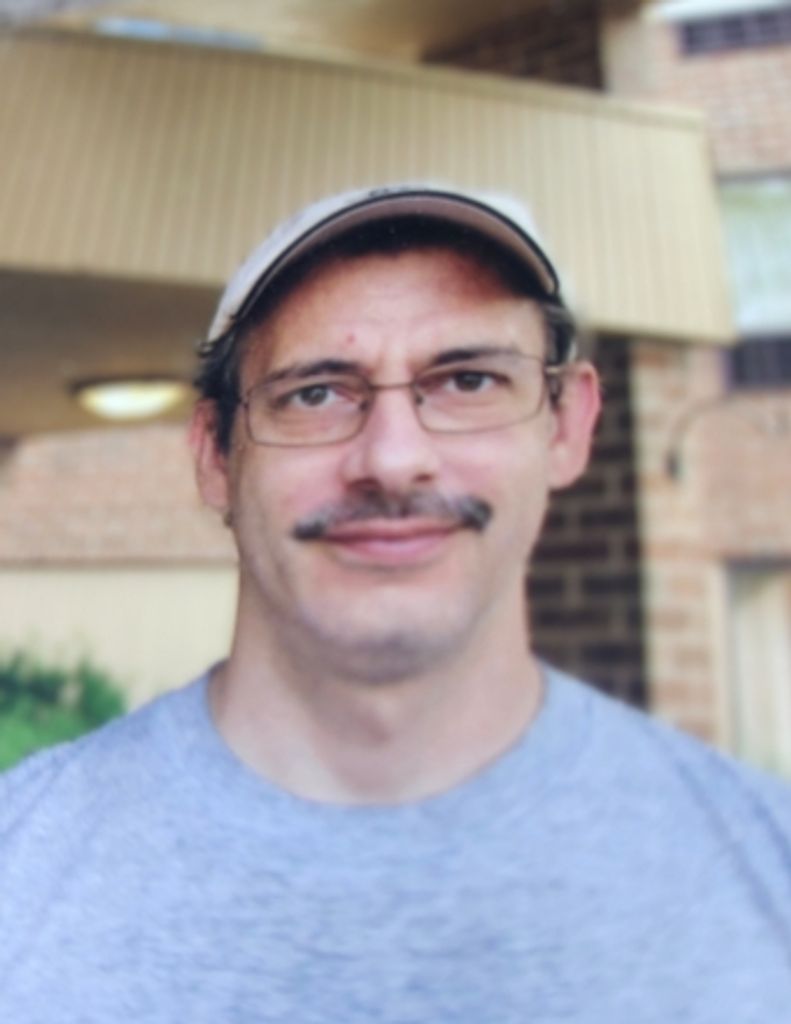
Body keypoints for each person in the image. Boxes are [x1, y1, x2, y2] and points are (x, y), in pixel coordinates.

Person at [1, 184, 790, 1022]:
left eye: (468, 381)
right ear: (213, 456)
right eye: (315, 393)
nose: (392, 459)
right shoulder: (22, 865)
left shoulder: (764, 867)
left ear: (566, 426)